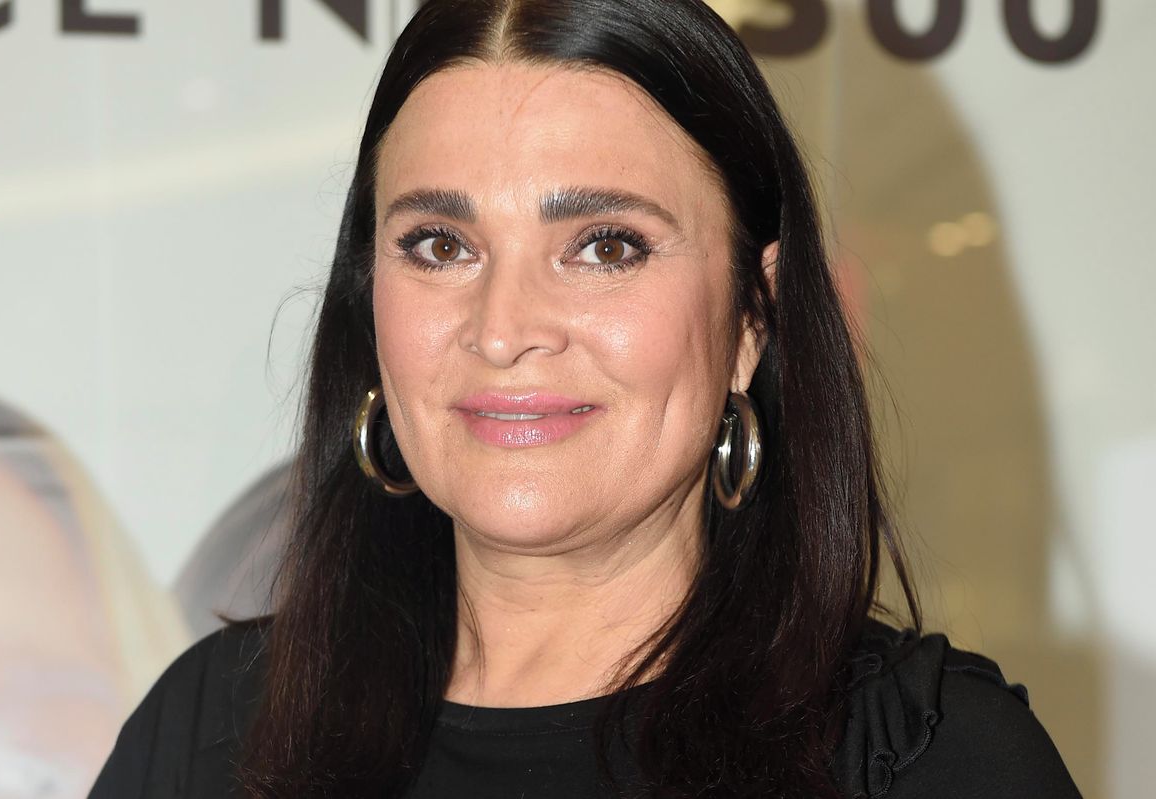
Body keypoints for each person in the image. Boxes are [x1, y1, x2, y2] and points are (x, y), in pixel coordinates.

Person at [89, 0, 1082, 796]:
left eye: (606, 246)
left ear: (752, 315)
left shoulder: (929, 759)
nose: (502, 328)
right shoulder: (209, 735)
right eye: (440, 244)